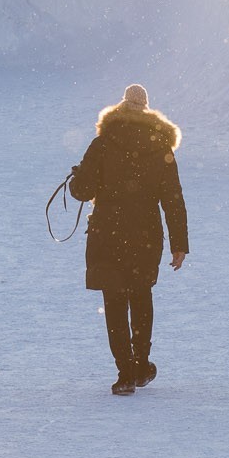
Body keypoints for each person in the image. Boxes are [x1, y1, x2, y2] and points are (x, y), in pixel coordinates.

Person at [68, 83, 188, 396]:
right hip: (145, 234)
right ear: (146, 109)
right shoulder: (160, 145)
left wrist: (78, 174)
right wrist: (179, 244)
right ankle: (141, 364)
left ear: (121, 107)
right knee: (141, 296)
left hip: (108, 233)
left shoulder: (103, 142)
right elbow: (173, 199)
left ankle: (124, 372)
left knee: (115, 301)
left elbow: (82, 191)